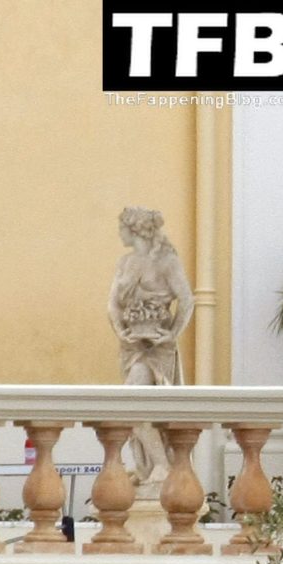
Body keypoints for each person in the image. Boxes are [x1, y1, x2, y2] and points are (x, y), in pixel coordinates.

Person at [108, 207, 194, 494]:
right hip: (132, 344)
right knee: (137, 404)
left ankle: (161, 464)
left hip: (156, 347)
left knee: (133, 401)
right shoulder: (125, 262)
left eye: (122, 228)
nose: (119, 233)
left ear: (135, 230)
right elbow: (113, 304)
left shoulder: (167, 262)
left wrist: (171, 334)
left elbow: (187, 300)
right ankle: (149, 466)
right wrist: (120, 330)